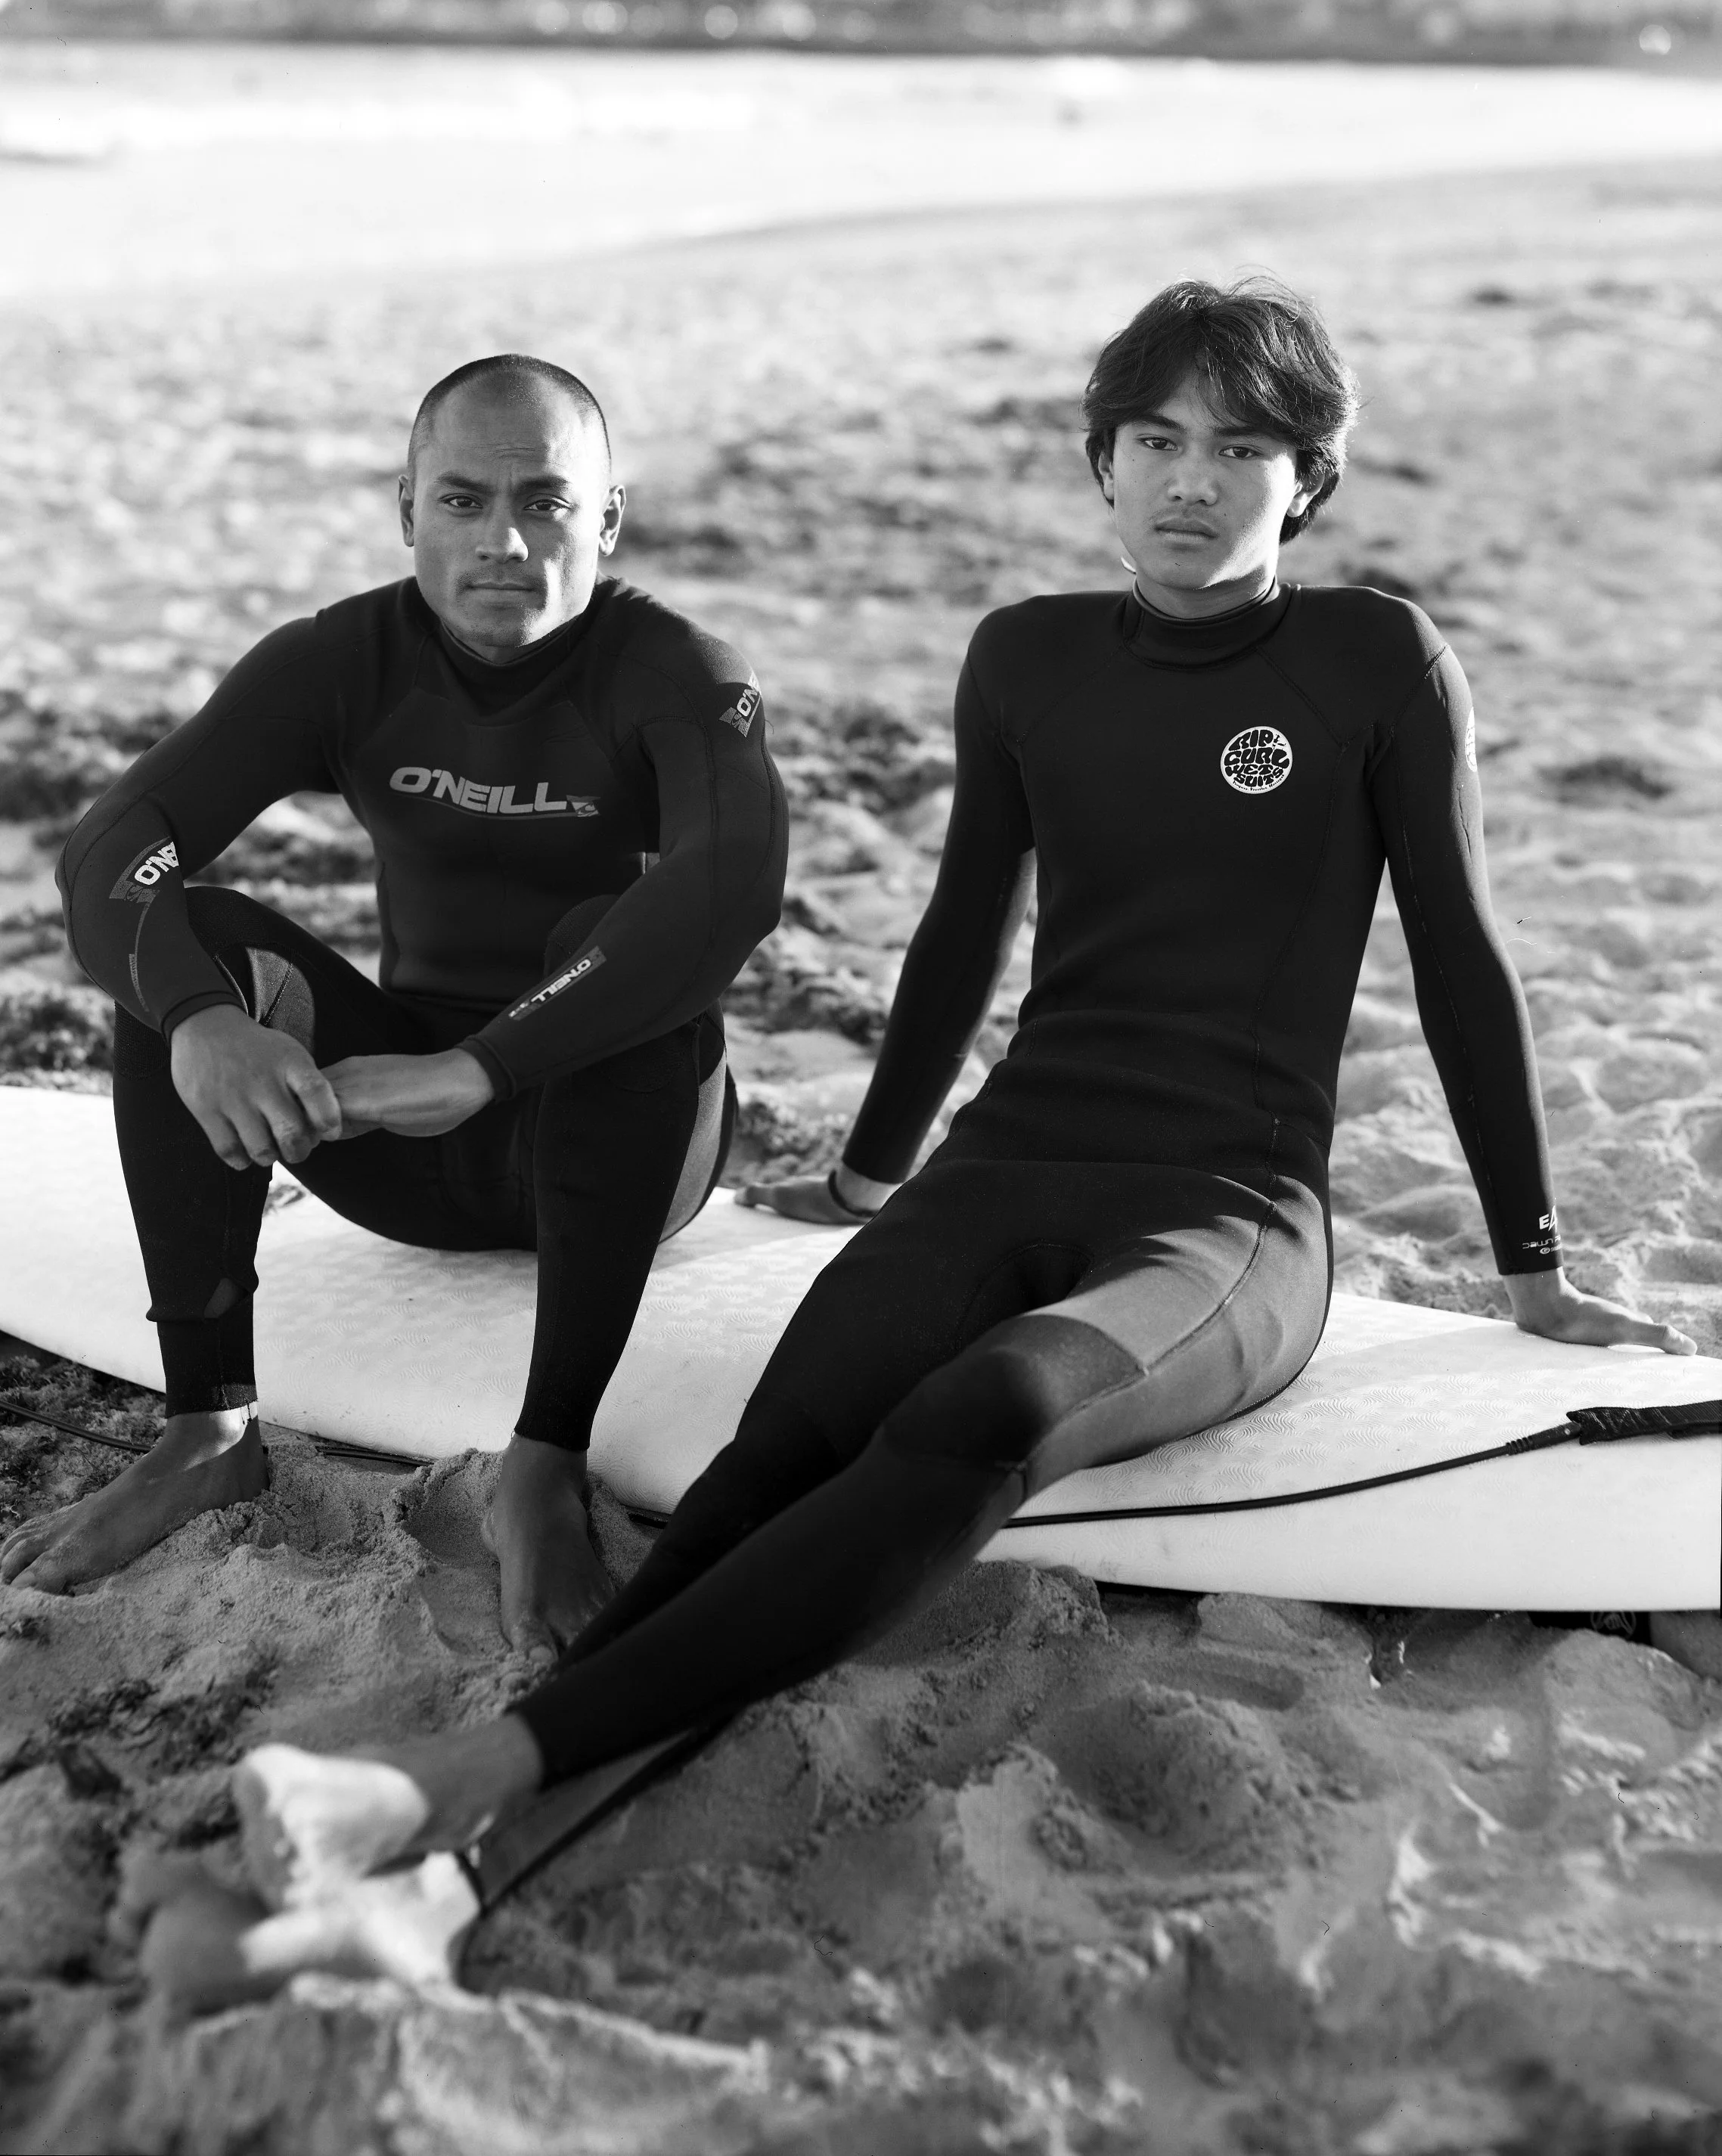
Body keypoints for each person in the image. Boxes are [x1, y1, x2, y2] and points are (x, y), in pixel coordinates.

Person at [160, 278, 1697, 1975]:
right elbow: (962, 933)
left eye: (1242, 448)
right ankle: (437, 1893)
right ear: (1100, 466)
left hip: (1226, 1215)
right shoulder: (1026, 658)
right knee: (772, 1457)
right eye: (1157, 441)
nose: (1193, 480)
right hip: (1001, 1164)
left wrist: (1534, 1272)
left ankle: (445, 1789)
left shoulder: (1372, 661)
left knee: (977, 1417)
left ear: (1306, 481)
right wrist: (875, 1169)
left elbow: (1463, 959)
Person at [1, 355, 787, 1657]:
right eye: (465, 501)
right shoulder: (344, 659)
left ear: (609, 517)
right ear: (405, 507)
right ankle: (207, 1425)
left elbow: (726, 895)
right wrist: (201, 1017)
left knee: (626, 946)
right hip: (390, 1141)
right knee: (189, 946)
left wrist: (482, 1065)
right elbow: (113, 844)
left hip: (625, 1152)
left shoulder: (677, 672)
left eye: (546, 501)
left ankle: (544, 1461)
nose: (505, 541)